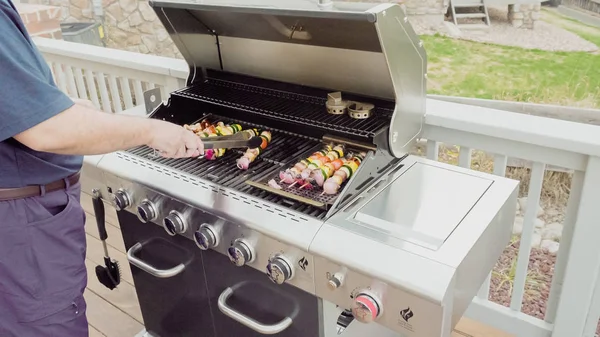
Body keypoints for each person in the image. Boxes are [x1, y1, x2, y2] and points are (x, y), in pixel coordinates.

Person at [0, 0, 204, 335]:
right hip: (20, 228)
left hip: (22, 220)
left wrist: (58, 109)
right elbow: (46, 130)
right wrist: (151, 130)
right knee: (46, 326)